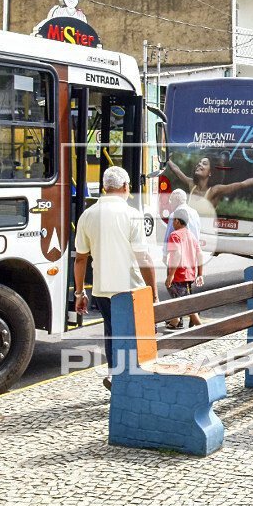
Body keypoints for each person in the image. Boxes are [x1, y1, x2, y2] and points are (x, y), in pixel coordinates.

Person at [73, 166, 158, 388]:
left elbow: (80, 259)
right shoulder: (132, 215)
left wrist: (80, 292)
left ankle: (114, 375)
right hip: (131, 288)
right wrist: (154, 293)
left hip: (102, 289)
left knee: (112, 333)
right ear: (125, 187)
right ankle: (135, 380)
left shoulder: (87, 215)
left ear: (104, 187)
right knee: (135, 335)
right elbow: (144, 258)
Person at [164, 156, 253, 209]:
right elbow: (176, 169)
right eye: (199, 163)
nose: (199, 164)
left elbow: (244, 183)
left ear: (210, 172)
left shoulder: (215, 190)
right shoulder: (191, 184)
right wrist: (165, 157)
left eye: (204, 163)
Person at [164, 207, 204, 330]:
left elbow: (178, 254)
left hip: (179, 274)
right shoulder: (191, 235)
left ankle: (202, 328)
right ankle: (175, 320)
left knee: (186, 303)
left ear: (177, 220)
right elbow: (200, 255)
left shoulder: (174, 235)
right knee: (182, 298)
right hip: (190, 274)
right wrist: (200, 274)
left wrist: (171, 275)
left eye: (173, 221)